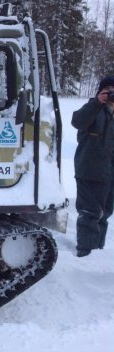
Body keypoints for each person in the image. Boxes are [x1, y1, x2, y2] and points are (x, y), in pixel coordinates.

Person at [71, 75, 114, 257]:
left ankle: (97, 252)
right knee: (89, 213)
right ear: (100, 91)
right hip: (88, 171)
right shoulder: (92, 109)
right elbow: (77, 121)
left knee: (105, 213)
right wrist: (97, 102)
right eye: (108, 91)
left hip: (109, 174)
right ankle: (85, 253)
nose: (111, 95)